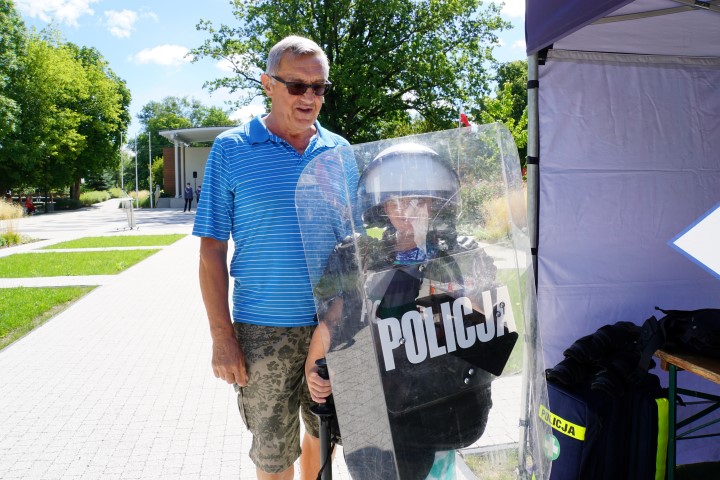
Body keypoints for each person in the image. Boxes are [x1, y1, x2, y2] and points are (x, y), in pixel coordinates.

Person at [305, 143, 514, 479]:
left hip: (439, 402)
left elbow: (493, 331)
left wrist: (436, 264)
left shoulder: (463, 255)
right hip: (375, 403)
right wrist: (312, 369)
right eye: (396, 200)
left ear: (437, 202)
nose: (407, 210)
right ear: (381, 205)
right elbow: (331, 320)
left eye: (419, 200)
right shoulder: (358, 255)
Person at [193, 35, 348, 480]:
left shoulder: (341, 153)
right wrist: (222, 336)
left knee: (324, 437)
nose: (310, 98)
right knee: (274, 454)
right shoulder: (231, 149)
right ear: (267, 83)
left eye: (319, 87)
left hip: (331, 324)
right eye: (297, 86)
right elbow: (211, 250)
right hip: (263, 333)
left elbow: (354, 247)